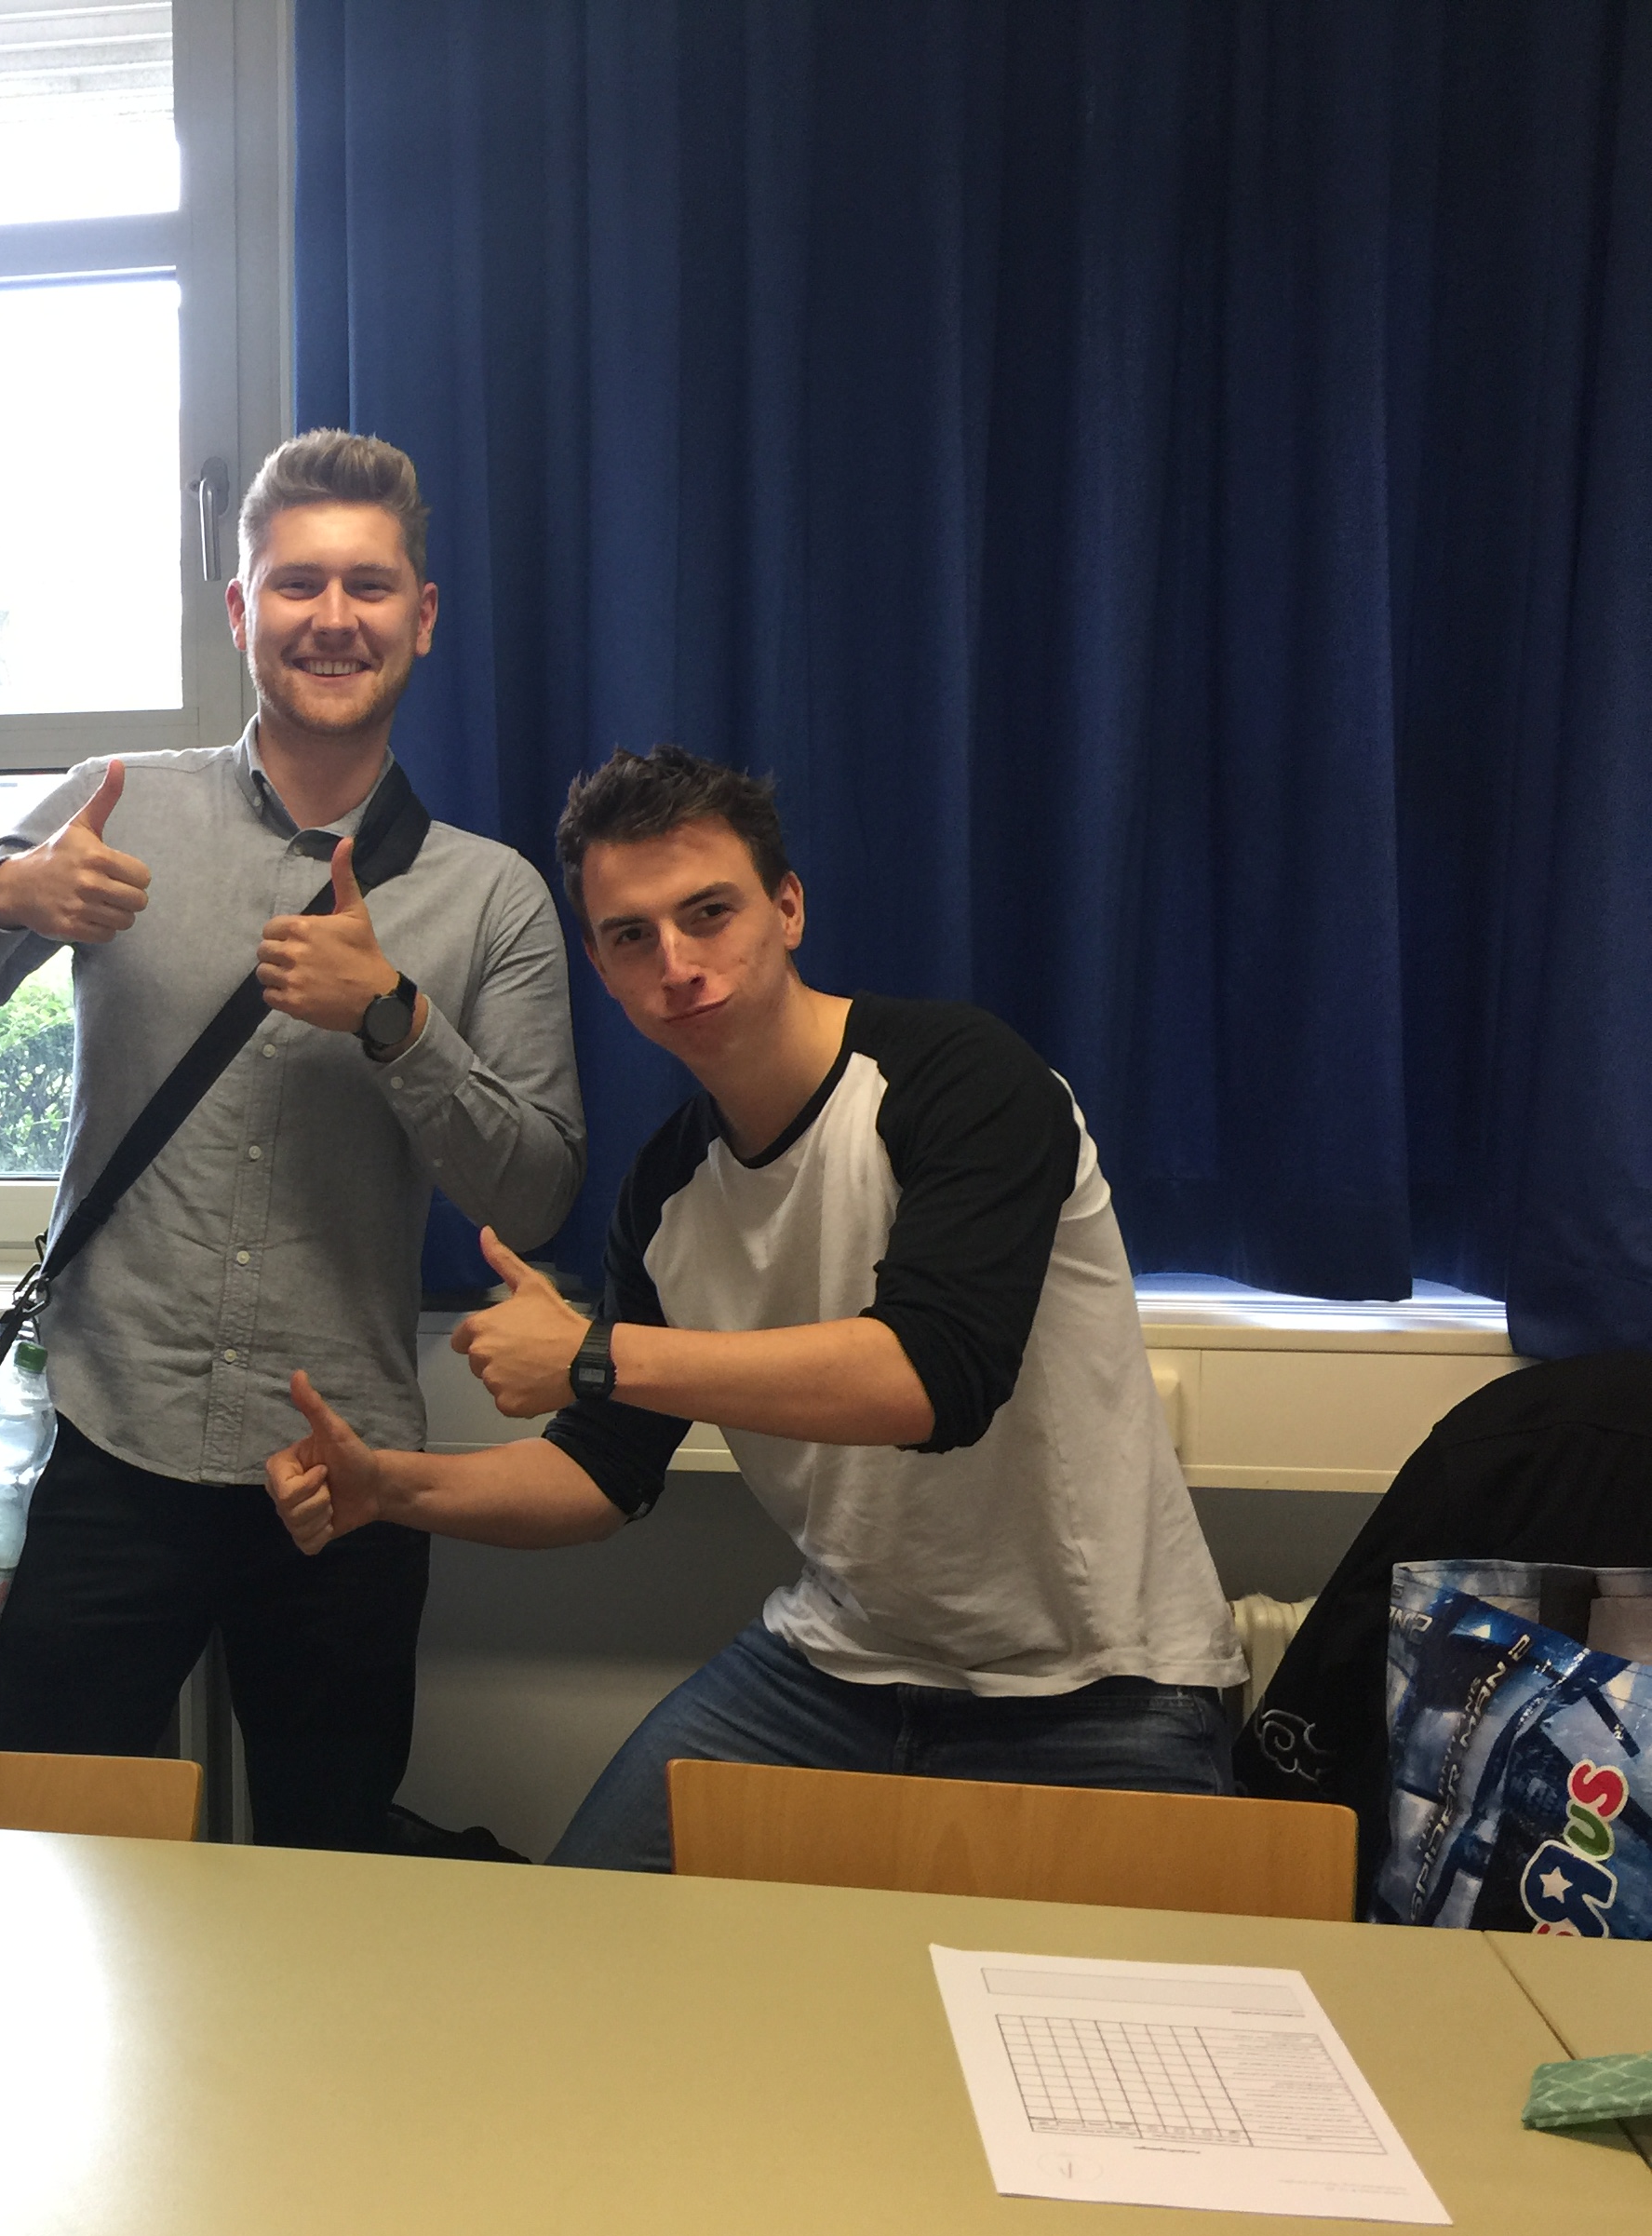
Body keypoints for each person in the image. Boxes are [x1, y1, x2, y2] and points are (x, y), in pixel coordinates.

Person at [264, 743, 1247, 1869]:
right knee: (579, 1931)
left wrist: (598, 1354)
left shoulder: (965, 1080)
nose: (678, 964)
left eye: (709, 913)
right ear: (601, 967)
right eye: (632, 937)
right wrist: (388, 1487)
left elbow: (934, 1378)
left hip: (1106, 1689)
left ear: (787, 909)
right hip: (835, 1670)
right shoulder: (667, 1192)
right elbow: (602, 1471)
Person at [0, 431, 584, 1850]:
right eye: (297, 584)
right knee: (58, 1861)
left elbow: (540, 1193)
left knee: (329, 1870)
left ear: (423, 616)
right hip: (99, 1449)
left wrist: (395, 1020)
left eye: (368, 585)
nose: (334, 617)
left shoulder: (490, 895)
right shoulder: (114, 803)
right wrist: (4, 899)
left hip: (342, 1476)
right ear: (243, 609)